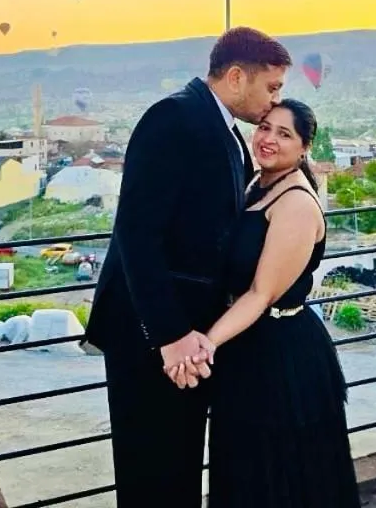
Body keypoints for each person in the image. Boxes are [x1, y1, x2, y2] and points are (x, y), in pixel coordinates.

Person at [83, 27, 292, 507]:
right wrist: (171, 335)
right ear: (237, 77)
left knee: (177, 471)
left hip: (191, 339)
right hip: (151, 336)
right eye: (272, 87)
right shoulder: (173, 117)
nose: (275, 100)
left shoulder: (222, 130)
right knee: (151, 475)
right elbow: (137, 235)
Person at [172, 98, 359, 508]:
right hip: (245, 348)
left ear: (305, 147)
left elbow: (260, 294)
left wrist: (205, 343)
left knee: (278, 477)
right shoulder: (255, 184)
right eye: (264, 127)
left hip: (281, 355)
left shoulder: (295, 204)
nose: (269, 139)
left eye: (284, 133)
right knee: (242, 470)